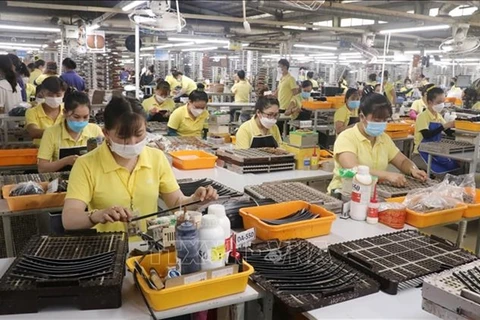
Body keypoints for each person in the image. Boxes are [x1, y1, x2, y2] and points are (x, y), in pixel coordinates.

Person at [62, 96, 218, 234]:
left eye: (139, 134)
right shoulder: (86, 165)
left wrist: (195, 200)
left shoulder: (156, 158)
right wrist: (96, 215)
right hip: (107, 250)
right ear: (106, 133)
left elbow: (176, 204)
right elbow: (69, 219)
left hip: (149, 248)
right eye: (123, 136)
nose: (132, 143)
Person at [327, 93, 427, 194]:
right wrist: (387, 176)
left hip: (374, 192)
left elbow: (402, 161)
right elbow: (352, 168)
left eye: (385, 120)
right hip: (345, 193)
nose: (381, 124)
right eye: (377, 120)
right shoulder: (346, 137)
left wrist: (413, 170)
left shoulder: (384, 139)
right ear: (362, 117)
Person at [37, 91, 103, 173]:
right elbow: (42, 168)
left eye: (85, 117)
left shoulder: (95, 130)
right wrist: (66, 161)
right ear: (64, 113)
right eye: (76, 117)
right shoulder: (51, 133)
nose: (81, 121)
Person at [411, 86, 457, 174]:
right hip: (420, 154)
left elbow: (449, 132)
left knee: (455, 167)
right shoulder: (422, 117)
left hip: (434, 152)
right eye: (439, 102)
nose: (442, 105)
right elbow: (427, 135)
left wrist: (461, 129)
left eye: (443, 102)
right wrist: (444, 126)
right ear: (429, 102)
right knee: (441, 173)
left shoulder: (438, 117)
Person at [25, 77, 67, 145]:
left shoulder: (68, 109)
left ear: (64, 93)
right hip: (40, 150)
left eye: (58, 95)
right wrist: (63, 132)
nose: (54, 97)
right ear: (43, 93)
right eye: (50, 95)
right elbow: (33, 132)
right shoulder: (32, 112)